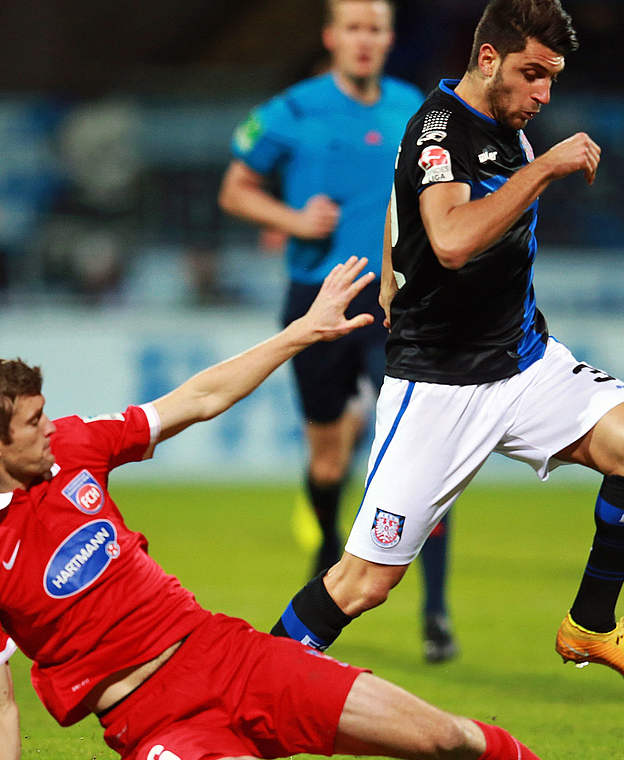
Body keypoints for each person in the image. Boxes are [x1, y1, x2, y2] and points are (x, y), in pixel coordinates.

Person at [0, 257, 544, 760]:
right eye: (33, 422)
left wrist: (302, 331)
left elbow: (196, 399)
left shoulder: (76, 445)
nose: (49, 429)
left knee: (447, 739)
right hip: (153, 722)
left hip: (231, 656)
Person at [269, 0, 624, 702]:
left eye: (552, 79)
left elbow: (399, 211)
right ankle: (247, 687)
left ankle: (591, 624)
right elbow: (454, 240)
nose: (543, 94)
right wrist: (547, 169)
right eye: (531, 74)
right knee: (365, 582)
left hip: (523, 363)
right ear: (488, 59)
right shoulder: (440, 130)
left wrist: (392, 283)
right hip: (439, 386)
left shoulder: (504, 127)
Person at [219, 0, 457, 662]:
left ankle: (436, 613)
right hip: (316, 303)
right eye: (352, 28)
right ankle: (327, 543)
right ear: (331, 37)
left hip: (396, 306)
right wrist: (293, 221)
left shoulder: (416, 107)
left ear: (387, 39)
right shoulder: (291, 110)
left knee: (429, 450)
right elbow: (236, 188)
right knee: (327, 458)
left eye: (375, 29)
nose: (364, 40)